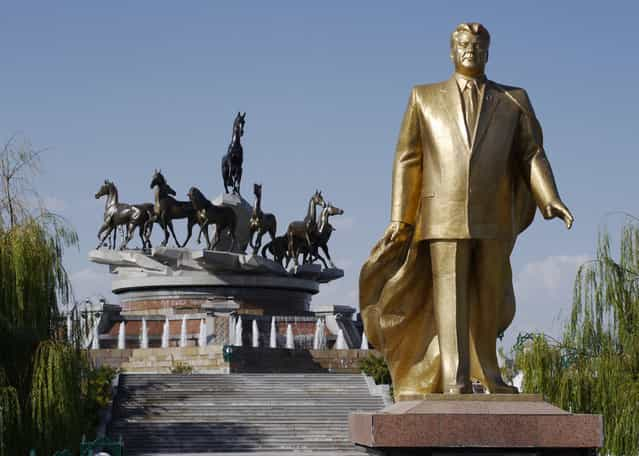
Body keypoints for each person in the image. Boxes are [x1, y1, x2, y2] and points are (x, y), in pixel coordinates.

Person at [360, 22, 573, 396]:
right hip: (441, 217)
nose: (470, 51)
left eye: (477, 46)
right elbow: (408, 159)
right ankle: (454, 378)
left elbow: (531, 153)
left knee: (489, 296)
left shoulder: (514, 99)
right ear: (451, 51)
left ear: (488, 52)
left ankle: (490, 374)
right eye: (463, 45)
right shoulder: (423, 97)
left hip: (493, 216)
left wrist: (549, 197)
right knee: (450, 299)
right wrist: (400, 217)